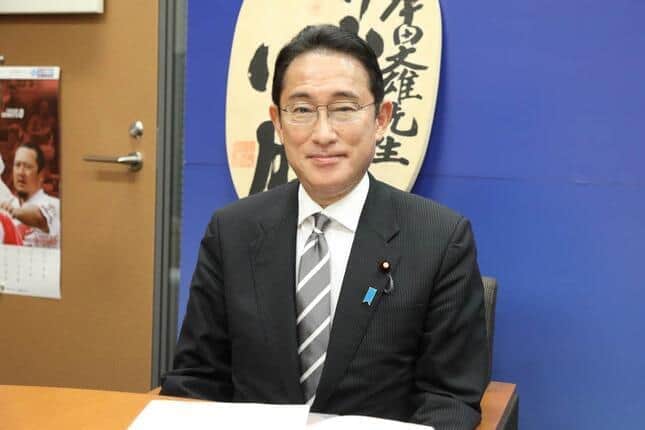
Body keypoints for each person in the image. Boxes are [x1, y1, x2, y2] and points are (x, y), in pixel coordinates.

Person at [162, 25, 488, 429]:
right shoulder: (231, 232)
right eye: (301, 110)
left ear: (381, 118)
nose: (323, 134)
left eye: (344, 109)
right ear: (278, 123)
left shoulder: (439, 239)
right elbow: (196, 380)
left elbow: (450, 400)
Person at [0, 142, 60, 248]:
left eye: (28, 167)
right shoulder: (8, 202)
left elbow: (39, 218)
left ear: (41, 175)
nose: (21, 172)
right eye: (17, 165)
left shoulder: (55, 205)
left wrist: (13, 212)